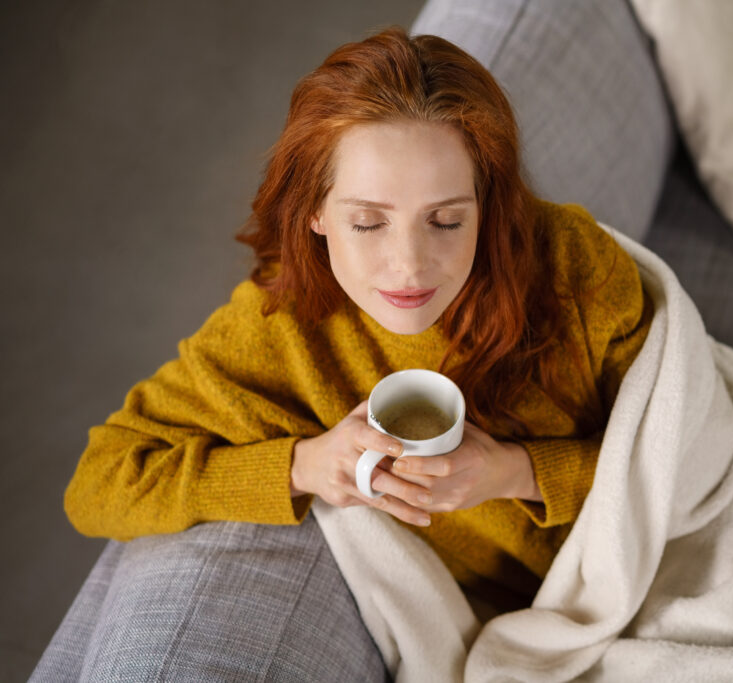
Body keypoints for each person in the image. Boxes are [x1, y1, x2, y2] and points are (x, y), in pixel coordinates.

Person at [33, 27, 651, 680]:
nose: (410, 265)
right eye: (367, 222)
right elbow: (98, 483)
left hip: (643, 565)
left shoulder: (573, 265)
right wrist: (304, 465)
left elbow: (675, 453)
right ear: (316, 213)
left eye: (446, 220)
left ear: (488, 205)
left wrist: (514, 473)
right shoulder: (279, 332)